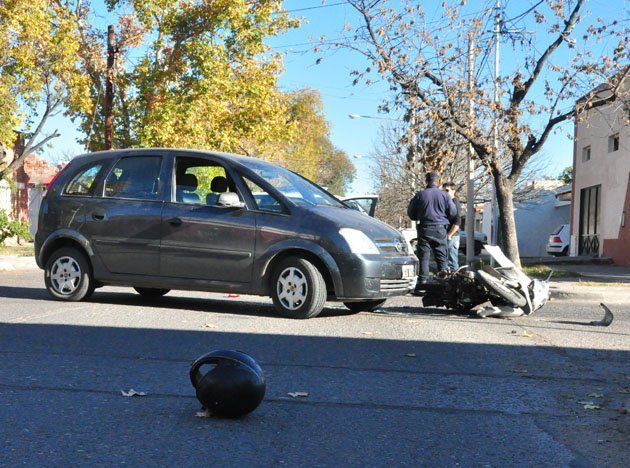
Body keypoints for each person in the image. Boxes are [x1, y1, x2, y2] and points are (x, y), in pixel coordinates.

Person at [407, 172, 457, 292]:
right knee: (441, 257)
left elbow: (411, 213)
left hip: (424, 228)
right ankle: (444, 283)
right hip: (440, 229)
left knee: (423, 256)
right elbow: (453, 212)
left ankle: (423, 283)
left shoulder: (420, 195)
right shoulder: (445, 195)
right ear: (438, 182)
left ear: (426, 181)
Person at [442, 182, 462, 271]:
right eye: (443, 191)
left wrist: (449, 235)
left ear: (453, 190)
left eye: (447, 190)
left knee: (452, 262)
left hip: (452, 236)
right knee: (446, 261)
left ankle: (455, 280)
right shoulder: (448, 202)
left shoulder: (455, 203)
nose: (445, 193)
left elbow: (457, 222)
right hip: (447, 235)